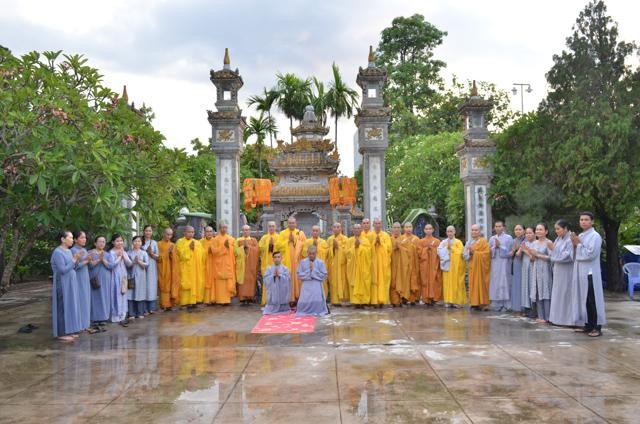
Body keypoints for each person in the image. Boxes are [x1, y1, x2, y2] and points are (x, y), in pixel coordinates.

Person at [570, 212, 606, 337]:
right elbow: (575, 253)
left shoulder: (595, 236)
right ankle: (588, 325)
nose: (583, 222)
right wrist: (575, 245)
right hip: (581, 272)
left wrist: (578, 245)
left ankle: (597, 327)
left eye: (586, 219)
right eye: (581, 219)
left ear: (592, 221)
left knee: (593, 300)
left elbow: (591, 254)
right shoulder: (581, 235)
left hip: (590, 272)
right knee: (584, 300)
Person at [51, 230, 83, 341]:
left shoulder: (69, 251)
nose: (71, 239)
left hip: (71, 282)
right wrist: (74, 259)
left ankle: (70, 330)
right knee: (62, 306)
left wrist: (76, 259)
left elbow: (72, 267)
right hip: (62, 282)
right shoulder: (57, 252)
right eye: (70, 237)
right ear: (63, 239)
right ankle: (61, 333)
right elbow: (62, 270)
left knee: (71, 305)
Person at [549, 220, 574, 326]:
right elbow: (551, 253)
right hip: (558, 270)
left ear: (565, 229)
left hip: (567, 270)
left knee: (566, 294)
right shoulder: (558, 239)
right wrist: (553, 251)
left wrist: (554, 250)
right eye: (555, 229)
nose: (556, 231)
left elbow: (568, 256)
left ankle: (567, 320)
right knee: (558, 293)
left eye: (558, 229)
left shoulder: (570, 239)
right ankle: (557, 319)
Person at [275, 216, 306, 302]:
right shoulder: (282, 233)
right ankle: (287, 299)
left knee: (297, 278)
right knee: (286, 278)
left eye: (293, 223)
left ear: (296, 224)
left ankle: (297, 298)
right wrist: (287, 241)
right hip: (286, 261)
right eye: (289, 223)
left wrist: (296, 241)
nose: (291, 224)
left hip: (297, 261)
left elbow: (304, 245)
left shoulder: (300, 233)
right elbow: (277, 246)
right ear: (287, 224)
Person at [175, 225, 205, 309]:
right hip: (185, 268)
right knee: (185, 285)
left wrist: (195, 249)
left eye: (192, 232)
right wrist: (189, 248)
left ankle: (194, 301)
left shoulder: (197, 242)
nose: (191, 234)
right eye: (189, 232)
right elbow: (180, 255)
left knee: (195, 284)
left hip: (195, 268)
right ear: (184, 232)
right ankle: (184, 302)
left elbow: (202, 255)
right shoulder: (180, 242)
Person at [437, 226, 467, 308]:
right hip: (447, 265)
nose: (449, 233)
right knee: (447, 283)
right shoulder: (443, 242)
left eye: (451, 231)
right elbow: (439, 251)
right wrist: (447, 248)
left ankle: (457, 301)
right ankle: (448, 301)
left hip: (456, 267)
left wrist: (451, 248)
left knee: (457, 283)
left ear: (454, 232)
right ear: (446, 233)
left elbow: (461, 253)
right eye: (448, 231)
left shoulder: (458, 242)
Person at [529, 223, 553, 323]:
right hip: (536, 269)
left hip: (545, 270)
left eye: (540, 229)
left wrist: (537, 255)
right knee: (538, 291)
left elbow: (551, 257)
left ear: (546, 231)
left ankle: (548, 317)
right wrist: (532, 255)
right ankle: (540, 316)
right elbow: (533, 258)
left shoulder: (549, 242)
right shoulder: (534, 243)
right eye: (537, 230)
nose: (538, 231)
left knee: (546, 291)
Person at [464, 224, 491, 311]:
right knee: (473, 284)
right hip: (473, 267)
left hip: (481, 269)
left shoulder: (483, 242)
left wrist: (475, 253)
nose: (474, 232)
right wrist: (470, 253)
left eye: (476, 230)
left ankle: (483, 303)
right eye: (472, 230)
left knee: (482, 284)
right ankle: (474, 303)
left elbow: (487, 254)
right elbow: (464, 255)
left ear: (479, 232)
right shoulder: (469, 242)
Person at [296, 245, 329, 316]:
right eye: (310, 253)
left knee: (317, 300)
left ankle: (317, 310)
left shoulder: (320, 262)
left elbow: (324, 275)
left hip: (316, 285)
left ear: (316, 253)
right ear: (307, 253)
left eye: (313, 253)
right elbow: (299, 274)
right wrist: (309, 271)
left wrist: (314, 271)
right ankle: (304, 310)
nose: (311, 255)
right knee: (303, 302)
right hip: (306, 285)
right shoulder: (302, 262)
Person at [88, 235, 113, 327]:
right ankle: (94, 318)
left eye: (103, 241)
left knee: (105, 297)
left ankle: (104, 318)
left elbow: (111, 266)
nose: (102, 243)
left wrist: (104, 260)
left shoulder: (108, 254)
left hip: (106, 279)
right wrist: (99, 259)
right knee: (95, 298)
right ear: (95, 243)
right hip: (94, 278)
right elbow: (90, 265)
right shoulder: (90, 253)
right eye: (100, 241)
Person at [346, 223, 372, 308]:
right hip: (353, 267)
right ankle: (356, 302)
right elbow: (347, 253)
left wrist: (359, 247)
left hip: (363, 266)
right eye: (355, 228)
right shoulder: (349, 241)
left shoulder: (365, 240)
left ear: (361, 230)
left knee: (364, 282)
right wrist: (355, 247)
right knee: (354, 283)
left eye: (358, 228)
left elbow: (369, 253)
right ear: (353, 230)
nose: (357, 230)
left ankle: (364, 301)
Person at [489, 221, 513, 312]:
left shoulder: (508, 238)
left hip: (504, 262)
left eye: (500, 226)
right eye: (496, 226)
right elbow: (489, 252)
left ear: (503, 227)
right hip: (495, 262)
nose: (498, 228)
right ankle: (496, 304)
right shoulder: (492, 238)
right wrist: (494, 247)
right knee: (495, 282)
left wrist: (500, 247)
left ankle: (506, 304)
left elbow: (511, 252)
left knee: (504, 281)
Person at [71, 230, 92, 332]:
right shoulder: (74, 251)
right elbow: (75, 266)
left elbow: (88, 263)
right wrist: (87, 261)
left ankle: (85, 324)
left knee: (86, 300)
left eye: (85, 237)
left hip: (85, 277)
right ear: (75, 239)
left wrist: (89, 260)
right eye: (82, 237)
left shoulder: (84, 249)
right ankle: (79, 325)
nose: (84, 239)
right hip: (78, 278)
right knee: (80, 300)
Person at [109, 233, 132, 326]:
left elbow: (129, 264)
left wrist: (123, 256)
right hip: (115, 276)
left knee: (123, 294)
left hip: (123, 276)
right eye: (117, 241)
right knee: (116, 294)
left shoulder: (124, 252)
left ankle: (122, 315)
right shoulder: (111, 252)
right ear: (113, 242)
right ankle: (115, 316)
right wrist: (119, 256)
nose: (120, 242)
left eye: (121, 241)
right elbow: (112, 265)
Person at [211, 222, 236, 305]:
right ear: (219, 228)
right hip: (219, 264)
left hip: (228, 264)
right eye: (222, 227)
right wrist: (223, 247)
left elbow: (234, 251)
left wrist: (229, 247)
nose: (224, 229)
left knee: (227, 281)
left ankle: (227, 300)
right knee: (220, 282)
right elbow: (214, 251)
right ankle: (220, 300)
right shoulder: (215, 239)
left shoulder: (231, 239)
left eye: (225, 227)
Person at [417, 224, 442, 305]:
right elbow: (419, 253)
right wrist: (426, 249)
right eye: (426, 229)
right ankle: (425, 299)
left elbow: (440, 253)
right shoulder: (421, 241)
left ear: (433, 230)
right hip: (424, 265)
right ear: (424, 230)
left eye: (430, 229)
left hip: (434, 265)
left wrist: (433, 249)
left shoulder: (437, 241)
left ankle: (434, 298)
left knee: (434, 280)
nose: (428, 230)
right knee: (424, 281)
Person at [302, 225, 329, 297]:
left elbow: (327, 254)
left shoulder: (323, 242)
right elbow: (304, 253)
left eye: (317, 231)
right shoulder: (307, 242)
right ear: (311, 232)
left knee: (322, 282)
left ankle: (323, 298)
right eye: (313, 231)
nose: (315, 232)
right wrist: (312, 248)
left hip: (320, 266)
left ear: (319, 232)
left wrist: (317, 248)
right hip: (310, 266)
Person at [326, 222, 349, 306]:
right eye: (334, 227)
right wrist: (332, 248)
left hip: (341, 265)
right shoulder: (329, 239)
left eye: (338, 227)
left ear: (341, 229)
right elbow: (326, 253)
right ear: (332, 229)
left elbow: (347, 252)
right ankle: (334, 301)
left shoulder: (345, 239)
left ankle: (343, 300)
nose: (336, 228)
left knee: (342, 281)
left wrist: (338, 247)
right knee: (333, 282)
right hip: (332, 265)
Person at [370, 218, 392, 307]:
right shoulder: (370, 235)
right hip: (373, 262)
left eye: (379, 223)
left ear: (381, 224)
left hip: (383, 263)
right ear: (373, 225)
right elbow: (367, 249)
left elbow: (389, 248)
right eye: (376, 223)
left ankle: (383, 300)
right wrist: (374, 243)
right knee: (374, 280)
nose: (377, 225)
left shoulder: (386, 235)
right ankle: (374, 300)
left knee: (383, 280)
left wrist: (381, 243)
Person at [236, 224, 260, 305]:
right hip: (242, 264)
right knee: (242, 280)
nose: (246, 231)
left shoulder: (254, 240)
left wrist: (248, 247)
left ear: (250, 231)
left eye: (247, 230)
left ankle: (250, 297)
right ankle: (242, 298)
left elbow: (257, 251)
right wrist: (242, 248)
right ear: (242, 231)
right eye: (244, 230)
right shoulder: (238, 240)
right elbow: (235, 252)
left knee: (250, 280)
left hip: (251, 264)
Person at [157, 227, 180, 310]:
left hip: (171, 270)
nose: (169, 236)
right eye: (167, 234)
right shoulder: (158, 244)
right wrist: (167, 253)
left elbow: (176, 258)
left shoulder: (173, 245)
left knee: (171, 286)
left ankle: (171, 304)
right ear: (163, 234)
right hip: (163, 270)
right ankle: (164, 305)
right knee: (164, 286)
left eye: (171, 235)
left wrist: (171, 254)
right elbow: (158, 258)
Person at [127, 235, 149, 319]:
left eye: (139, 241)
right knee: (130, 294)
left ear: (141, 243)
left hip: (141, 277)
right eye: (135, 241)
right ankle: (131, 313)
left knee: (140, 294)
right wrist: (133, 262)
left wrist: (139, 262)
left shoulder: (144, 253)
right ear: (132, 242)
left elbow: (147, 265)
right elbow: (127, 264)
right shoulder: (128, 252)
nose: (137, 243)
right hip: (131, 276)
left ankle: (140, 312)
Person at [258, 221, 278, 306]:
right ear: (267, 227)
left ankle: (275, 300)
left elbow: (281, 249)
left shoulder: (279, 237)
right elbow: (260, 249)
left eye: (273, 226)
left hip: (275, 264)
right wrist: (268, 245)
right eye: (270, 226)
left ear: (275, 227)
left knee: (276, 282)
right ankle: (266, 300)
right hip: (266, 263)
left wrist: (274, 245)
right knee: (267, 282)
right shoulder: (264, 238)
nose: (271, 228)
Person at [400, 222, 421, 305]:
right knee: (405, 280)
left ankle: (413, 298)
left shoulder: (416, 239)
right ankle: (404, 297)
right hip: (404, 265)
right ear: (404, 228)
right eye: (406, 227)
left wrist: (413, 247)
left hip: (414, 263)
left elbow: (419, 251)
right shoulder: (401, 238)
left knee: (414, 280)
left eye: (410, 227)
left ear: (412, 228)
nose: (408, 229)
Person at [141, 225, 159, 314]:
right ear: (143, 231)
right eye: (146, 231)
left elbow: (157, 257)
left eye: (150, 231)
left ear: (152, 232)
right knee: (143, 286)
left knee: (151, 286)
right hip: (142, 266)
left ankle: (151, 307)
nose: (148, 232)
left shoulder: (154, 243)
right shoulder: (139, 241)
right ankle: (143, 309)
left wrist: (151, 253)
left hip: (151, 266)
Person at [520, 227, 537, 318]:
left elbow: (533, 257)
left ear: (534, 234)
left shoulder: (536, 243)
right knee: (525, 286)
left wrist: (525, 250)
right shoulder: (525, 243)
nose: (528, 235)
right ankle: (526, 307)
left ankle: (533, 308)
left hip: (533, 267)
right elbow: (518, 254)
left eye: (530, 233)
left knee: (532, 286)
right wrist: (520, 249)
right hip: (525, 267)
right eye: (527, 233)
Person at [509, 224, 525, 314]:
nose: (518, 231)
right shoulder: (513, 240)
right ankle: (516, 307)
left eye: (520, 229)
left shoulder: (526, 239)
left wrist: (518, 249)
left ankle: (523, 307)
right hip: (515, 264)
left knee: (523, 285)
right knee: (516, 285)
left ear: (524, 230)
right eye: (516, 230)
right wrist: (513, 250)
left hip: (524, 263)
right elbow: (511, 254)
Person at [389, 222, 406, 306]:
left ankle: (401, 299)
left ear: (401, 229)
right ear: (392, 229)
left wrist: (401, 248)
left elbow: (408, 252)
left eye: (398, 227)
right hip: (392, 264)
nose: (396, 229)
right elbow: (386, 252)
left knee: (401, 280)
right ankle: (393, 301)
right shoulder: (389, 239)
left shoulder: (404, 239)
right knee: (393, 282)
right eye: (394, 227)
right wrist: (394, 248)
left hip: (401, 265)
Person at [200, 226, 217, 305]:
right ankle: (206, 300)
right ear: (204, 233)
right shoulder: (200, 242)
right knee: (205, 281)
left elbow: (219, 252)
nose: (209, 233)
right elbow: (198, 253)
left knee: (214, 282)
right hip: (204, 265)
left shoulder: (216, 241)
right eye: (207, 231)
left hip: (214, 265)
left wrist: (213, 251)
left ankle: (214, 299)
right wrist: (207, 252)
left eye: (210, 231)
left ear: (213, 232)